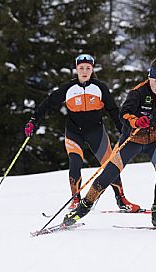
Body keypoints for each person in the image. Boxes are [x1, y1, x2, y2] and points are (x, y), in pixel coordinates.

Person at [63, 56, 156, 227]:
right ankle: (82, 208)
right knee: (108, 175)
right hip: (131, 140)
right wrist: (135, 121)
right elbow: (123, 113)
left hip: (155, 141)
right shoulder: (138, 92)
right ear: (149, 77)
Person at [24, 54, 140, 212]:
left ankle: (121, 199)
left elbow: (113, 110)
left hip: (96, 133)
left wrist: (123, 130)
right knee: (75, 163)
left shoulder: (100, 87)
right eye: (81, 68)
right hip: (74, 133)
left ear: (92, 69)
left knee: (110, 164)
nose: (84, 71)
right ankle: (75, 199)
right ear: (76, 69)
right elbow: (48, 103)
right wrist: (33, 121)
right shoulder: (68, 88)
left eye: (88, 68)